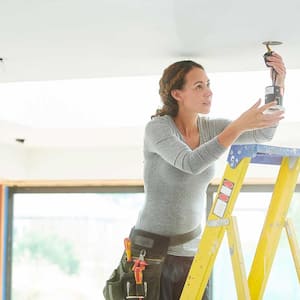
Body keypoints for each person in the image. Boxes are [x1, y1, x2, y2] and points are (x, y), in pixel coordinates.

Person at [103, 53, 285, 300]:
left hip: (192, 251)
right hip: (151, 253)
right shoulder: (158, 129)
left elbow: (264, 134)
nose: (208, 92)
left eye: (208, 85)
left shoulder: (211, 128)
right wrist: (236, 127)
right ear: (177, 94)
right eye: (199, 86)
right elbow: (190, 163)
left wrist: (278, 85)